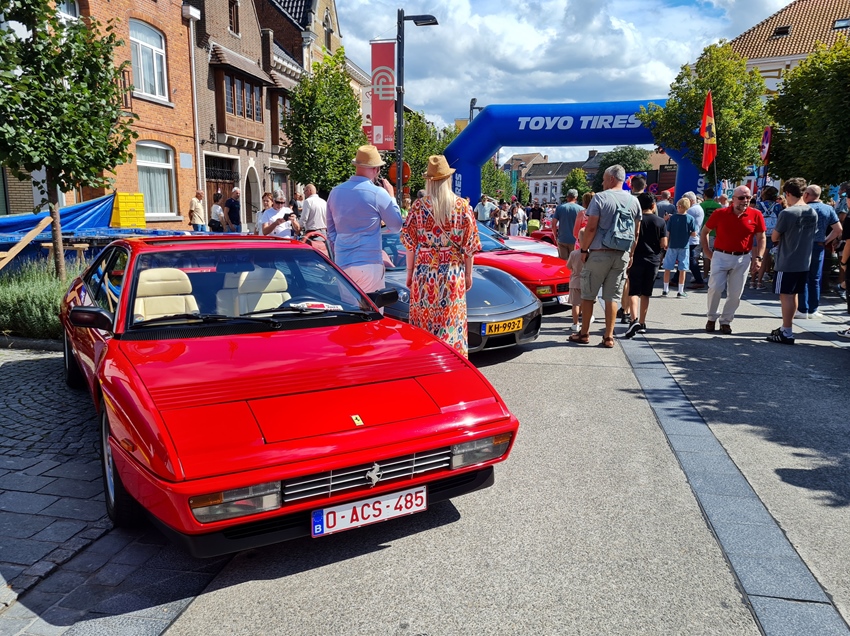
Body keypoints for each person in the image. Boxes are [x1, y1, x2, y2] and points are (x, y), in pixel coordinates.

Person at [400, 155, 480, 357]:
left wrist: (410, 272)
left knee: (423, 326)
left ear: (429, 181)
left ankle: (424, 363)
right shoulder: (463, 206)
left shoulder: (418, 207)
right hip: (452, 272)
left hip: (423, 273)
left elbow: (409, 244)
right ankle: (451, 363)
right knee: (451, 323)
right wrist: (468, 274)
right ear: (448, 179)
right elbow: (470, 247)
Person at [569, 165, 642, 349]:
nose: (602, 183)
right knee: (612, 297)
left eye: (603, 179)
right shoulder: (634, 201)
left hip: (599, 253)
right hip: (622, 254)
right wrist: (631, 254)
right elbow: (636, 233)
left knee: (588, 295)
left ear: (611, 179)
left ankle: (584, 333)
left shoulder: (601, 198)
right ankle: (608, 337)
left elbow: (591, 228)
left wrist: (584, 250)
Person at [327, 144, 403, 294]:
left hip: (343, 262)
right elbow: (396, 226)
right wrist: (392, 198)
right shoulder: (377, 193)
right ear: (375, 169)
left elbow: (330, 232)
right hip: (369, 262)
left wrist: (342, 249)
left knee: (350, 308)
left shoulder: (335, 192)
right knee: (372, 307)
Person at [701, 185, 766, 334]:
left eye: (748, 197)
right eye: (742, 198)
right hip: (721, 255)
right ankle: (711, 317)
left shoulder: (756, 214)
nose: (745, 201)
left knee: (736, 293)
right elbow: (705, 231)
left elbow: (761, 237)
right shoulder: (720, 213)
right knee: (715, 288)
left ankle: (726, 321)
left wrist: (759, 258)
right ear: (733, 199)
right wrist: (707, 250)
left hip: (742, 258)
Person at [767, 178, 817, 344]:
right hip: (804, 260)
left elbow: (775, 236)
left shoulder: (787, 213)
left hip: (787, 260)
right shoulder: (812, 212)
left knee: (786, 296)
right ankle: (786, 328)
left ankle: (786, 331)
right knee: (793, 294)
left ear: (787, 193)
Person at [624, 193, 668, 338]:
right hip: (653, 259)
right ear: (653, 205)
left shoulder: (635, 220)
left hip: (636, 258)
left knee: (633, 291)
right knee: (646, 293)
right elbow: (664, 243)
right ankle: (642, 323)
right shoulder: (660, 221)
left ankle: (633, 320)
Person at [798, 184, 841, 318]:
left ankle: (802, 309)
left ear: (806, 195)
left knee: (803, 276)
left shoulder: (802, 208)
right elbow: (838, 229)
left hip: (803, 245)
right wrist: (826, 240)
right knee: (815, 278)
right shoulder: (828, 209)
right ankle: (813, 309)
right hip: (818, 244)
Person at [662, 198, 697, 297]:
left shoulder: (672, 218)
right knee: (683, 269)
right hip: (684, 246)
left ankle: (665, 289)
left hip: (672, 245)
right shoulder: (690, 218)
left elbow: (668, 232)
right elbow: (694, 234)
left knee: (667, 268)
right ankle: (680, 291)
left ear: (679, 207)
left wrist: (666, 243)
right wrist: (687, 233)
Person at [753, 186, 782, 289]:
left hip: (758, 232)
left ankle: (752, 281)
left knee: (755, 256)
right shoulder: (778, 206)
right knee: (763, 258)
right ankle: (759, 282)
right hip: (770, 233)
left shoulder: (758, 205)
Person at [566, 229, 589, 331]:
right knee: (585, 302)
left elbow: (568, 266)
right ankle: (585, 321)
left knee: (575, 304)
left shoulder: (573, 254)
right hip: (587, 281)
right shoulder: (591, 254)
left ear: (578, 240)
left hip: (575, 281)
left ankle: (575, 324)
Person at [684, 191, 706, 289]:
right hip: (693, 237)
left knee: (690, 260)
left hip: (690, 238)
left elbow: (683, 220)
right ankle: (675, 279)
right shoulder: (698, 208)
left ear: (691, 200)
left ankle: (699, 280)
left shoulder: (691, 210)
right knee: (686, 258)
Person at [552, 189, 582, 260]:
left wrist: (555, 237)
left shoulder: (560, 208)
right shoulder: (581, 209)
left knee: (563, 262)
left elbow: (553, 224)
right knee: (573, 262)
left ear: (567, 197)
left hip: (562, 239)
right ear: (576, 197)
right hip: (575, 240)